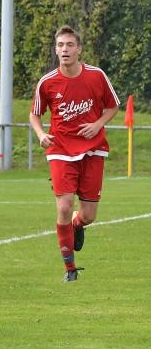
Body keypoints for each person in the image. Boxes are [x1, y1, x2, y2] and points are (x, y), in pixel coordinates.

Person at [29, 25, 119, 282]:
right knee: (65, 206)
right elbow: (35, 114)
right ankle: (69, 268)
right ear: (55, 50)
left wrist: (97, 124)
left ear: (79, 49)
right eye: (60, 45)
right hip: (60, 150)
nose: (64, 49)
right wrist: (40, 134)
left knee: (88, 215)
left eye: (69, 45)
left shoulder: (96, 75)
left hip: (93, 149)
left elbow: (112, 106)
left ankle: (78, 226)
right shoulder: (47, 82)